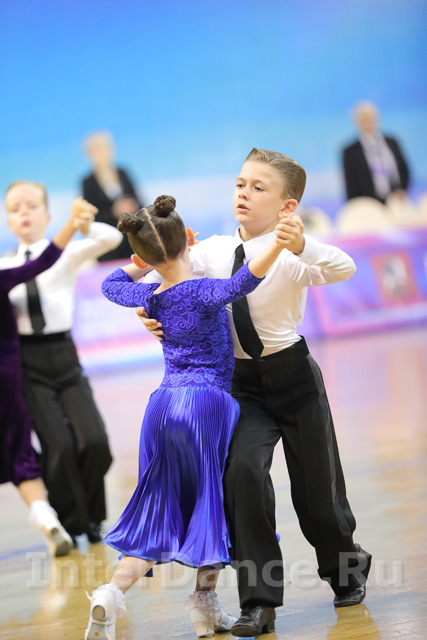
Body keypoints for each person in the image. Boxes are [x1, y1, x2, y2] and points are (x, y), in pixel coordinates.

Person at [140, 148, 372, 637]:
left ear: (288, 206)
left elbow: (345, 267)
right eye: (241, 183)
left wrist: (303, 244)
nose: (244, 193)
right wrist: (148, 311)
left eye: (258, 187)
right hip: (241, 387)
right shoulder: (210, 252)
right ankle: (259, 602)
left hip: (296, 380)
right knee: (242, 477)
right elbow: (161, 281)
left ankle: (346, 568)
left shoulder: (292, 253)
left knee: (320, 499)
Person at [84, 195, 293, 640]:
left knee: (159, 508)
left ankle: (111, 592)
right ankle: (203, 601)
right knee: (210, 505)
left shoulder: (148, 294)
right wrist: (279, 243)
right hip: (207, 404)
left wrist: (145, 264)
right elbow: (245, 280)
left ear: (143, 253)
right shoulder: (201, 290)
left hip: (162, 406)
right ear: (186, 241)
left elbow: (110, 284)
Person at [1, 181, 121, 544]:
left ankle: (94, 515)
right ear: (8, 220)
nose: (24, 212)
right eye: (15, 208)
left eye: (32, 205)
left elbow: (112, 239)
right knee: (60, 447)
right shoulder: (4, 266)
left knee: (94, 441)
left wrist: (84, 223)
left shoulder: (66, 253)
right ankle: (73, 523)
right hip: (28, 364)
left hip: (65, 356)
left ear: (47, 214)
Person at [82, 131, 143, 261]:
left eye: (106, 148)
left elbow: (140, 202)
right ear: (90, 154)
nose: (103, 154)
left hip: (132, 242)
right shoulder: (88, 183)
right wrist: (114, 212)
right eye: (98, 150)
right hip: (108, 247)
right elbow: (90, 219)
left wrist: (132, 206)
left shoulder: (123, 173)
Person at [342, 101, 410, 203]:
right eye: (363, 118)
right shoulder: (350, 151)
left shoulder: (392, 142)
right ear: (356, 121)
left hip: (396, 200)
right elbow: (350, 183)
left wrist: (403, 189)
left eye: (370, 117)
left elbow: (404, 169)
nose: (367, 121)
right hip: (369, 203)